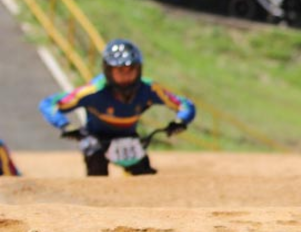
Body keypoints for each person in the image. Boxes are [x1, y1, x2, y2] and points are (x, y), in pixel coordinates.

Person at [39, 39, 195, 176]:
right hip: (97, 141)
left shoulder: (149, 89)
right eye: (120, 71)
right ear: (108, 70)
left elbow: (185, 104)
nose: (126, 76)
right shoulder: (92, 91)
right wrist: (65, 125)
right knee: (96, 166)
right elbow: (49, 104)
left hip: (130, 140)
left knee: (144, 175)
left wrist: (181, 121)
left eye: (131, 70)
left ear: (139, 70)